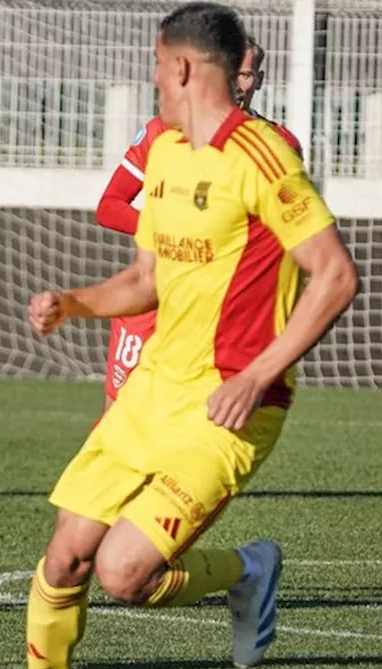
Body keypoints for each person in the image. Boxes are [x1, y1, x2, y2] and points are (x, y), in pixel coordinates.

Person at [20, 4, 360, 669]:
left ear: (179, 67)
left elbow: (334, 276)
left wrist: (257, 373)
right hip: (151, 392)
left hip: (227, 406)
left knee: (123, 573)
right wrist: (72, 302)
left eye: (154, 66)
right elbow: (143, 278)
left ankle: (246, 570)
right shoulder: (165, 152)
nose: (152, 80)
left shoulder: (265, 156)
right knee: (64, 559)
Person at [95, 37, 303, 414]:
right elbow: (109, 206)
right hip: (155, 293)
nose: (237, 84)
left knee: (202, 417)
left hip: (223, 307)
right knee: (119, 412)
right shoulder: (163, 132)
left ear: (259, 79)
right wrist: (170, 229)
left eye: (245, 75)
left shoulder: (280, 144)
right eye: (229, 73)